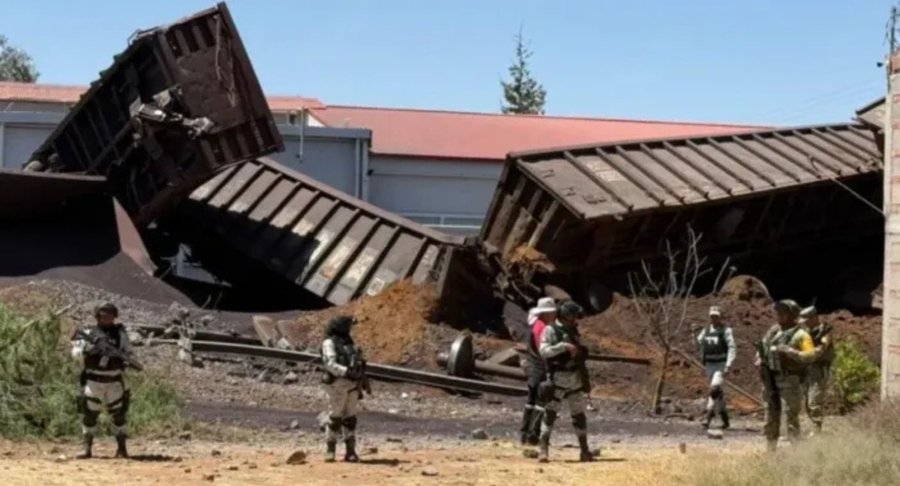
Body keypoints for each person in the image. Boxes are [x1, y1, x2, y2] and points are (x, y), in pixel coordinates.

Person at [70, 302, 139, 459]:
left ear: (114, 317)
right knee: (89, 414)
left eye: (110, 315)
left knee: (119, 415)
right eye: (103, 315)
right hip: (93, 381)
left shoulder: (120, 334)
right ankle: (87, 449)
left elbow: (129, 353)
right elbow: (75, 354)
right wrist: (92, 350)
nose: (107, 318)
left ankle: (122, 449)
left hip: (114, 381)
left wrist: (125, 360)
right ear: (97, 316)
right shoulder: (89, 333)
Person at [757, 299, 817, 452]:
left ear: (792, 315)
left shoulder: (801, 335)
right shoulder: (773, 331)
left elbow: (810, 355)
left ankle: (796, 451)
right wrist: (759, 358)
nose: (779, 315)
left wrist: (790, 352)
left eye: (783, 312)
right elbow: (763, 347)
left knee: (790, 415)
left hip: (789, 379)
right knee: (770, 414)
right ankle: (770, 449)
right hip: (770, 378)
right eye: (778, 312)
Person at [537, 300, 593, 463]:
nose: (577, 319)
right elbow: (544, 351)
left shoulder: (573, 330)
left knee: (579, 416)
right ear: (567, 316)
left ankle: (584, 450)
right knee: (550, 415)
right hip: (557, 380)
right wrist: (563, 347)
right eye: (574, 316)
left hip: (575, 380)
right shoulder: (550, 330)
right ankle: (543, 449)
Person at [321, 315, 366, 463]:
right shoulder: (329, 343)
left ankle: (350, 451)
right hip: (337, 385)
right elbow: (330, 364)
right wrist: (346, 372)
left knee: (350, 418)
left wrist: (360, 375)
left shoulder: (349, 343)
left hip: (352, 385)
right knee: (335, 417)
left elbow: (357, 361)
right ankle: (330, 449)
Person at [520, 297, 557, 445]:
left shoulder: (535, 325)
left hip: (533, 367)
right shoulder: (542, 328)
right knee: (540, 403)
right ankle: (533, 435)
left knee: (531, 401)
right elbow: (544, 351)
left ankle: (524, 434)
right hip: (540, 368)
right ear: (546, 313)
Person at [695, 305, 736, 429]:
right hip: (709, 365)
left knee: (714, 389)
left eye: (716, 316)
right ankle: (725, 420)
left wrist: (729, 364)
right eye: (712, 316)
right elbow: (698, 342)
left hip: (721, 365)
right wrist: (693, 333)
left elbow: (732, 347)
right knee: (718, 394)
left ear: (720, 317)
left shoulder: (726, 330)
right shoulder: (706, 330)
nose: (714, 319)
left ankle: (707, 418)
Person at [800, 306, 834, 434]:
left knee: (814, 401)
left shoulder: (825, 330)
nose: (805, 323)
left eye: (807, 320)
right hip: (807, 370)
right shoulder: (806, 332)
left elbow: (822, 347)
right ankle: (814, 428)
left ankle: (816, 430)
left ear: (814, 318)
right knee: (807, 403)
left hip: (819, 370)